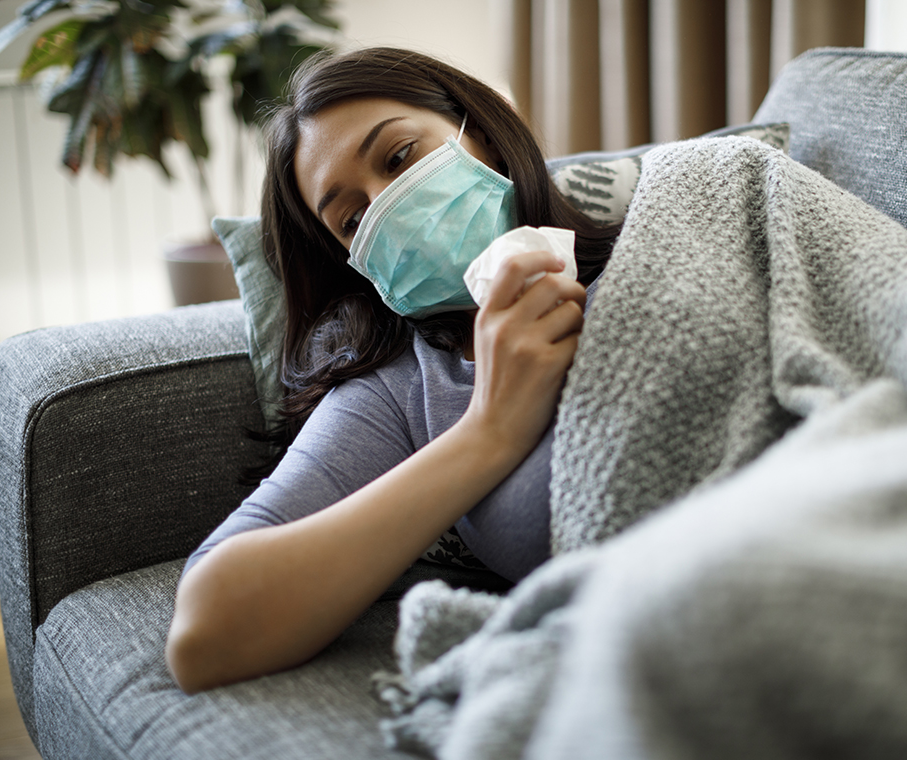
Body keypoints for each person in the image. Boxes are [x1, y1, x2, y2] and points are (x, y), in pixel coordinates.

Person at [165, 47, 621, 694]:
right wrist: (488, 431)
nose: (389, 206)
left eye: (400, 157)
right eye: (352, 219)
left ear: (482, 135)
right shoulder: (401, 389)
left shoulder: (667, 231)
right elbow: (204, 632)